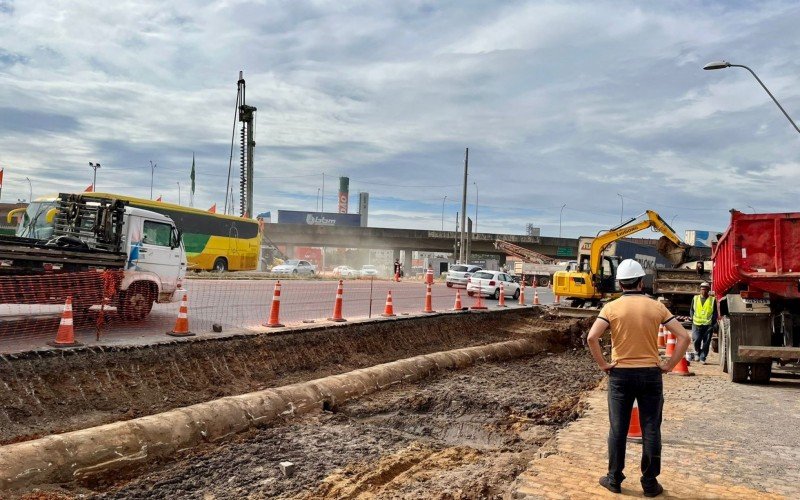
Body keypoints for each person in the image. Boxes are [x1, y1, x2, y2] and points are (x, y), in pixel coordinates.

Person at [586, 259, 690, 497]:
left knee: (617, 429)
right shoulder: (657, 307)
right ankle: (650, 483)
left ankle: (614, 479)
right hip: (650, 374)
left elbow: (592, 338)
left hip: (620, 374)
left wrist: (603, 364)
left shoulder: (610, 308)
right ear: (642, 282)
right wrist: (668, 365)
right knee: (651, 428)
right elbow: (684, 337)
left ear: (620, 283)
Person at [689, 282, 717, 364]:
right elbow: (691, 309)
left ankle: (702, 357)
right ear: (700, 289)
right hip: (696, 323)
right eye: (702, 289)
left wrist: (713, 322)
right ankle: (697, 352)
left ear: (708, 290)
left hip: (708, 325)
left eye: (705, 289)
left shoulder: (712, 300)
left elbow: (715, 312)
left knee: (706, 342)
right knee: (696, 339)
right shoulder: (695, 298)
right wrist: (692, 317)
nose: (704, 291)